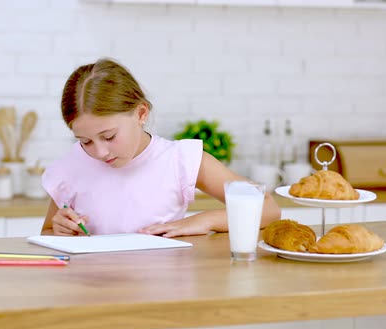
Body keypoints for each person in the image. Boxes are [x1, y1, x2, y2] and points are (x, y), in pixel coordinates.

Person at [40, 58, 281, 237]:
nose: (100, 152)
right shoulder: (70, 168)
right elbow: (48, 233)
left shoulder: (180, 160)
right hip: (94, 293)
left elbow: (268, 209)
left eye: (109, 136)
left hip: (164, 289)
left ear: (141, 113)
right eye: (86, 141)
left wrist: (204, 220)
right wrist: (59, 228)